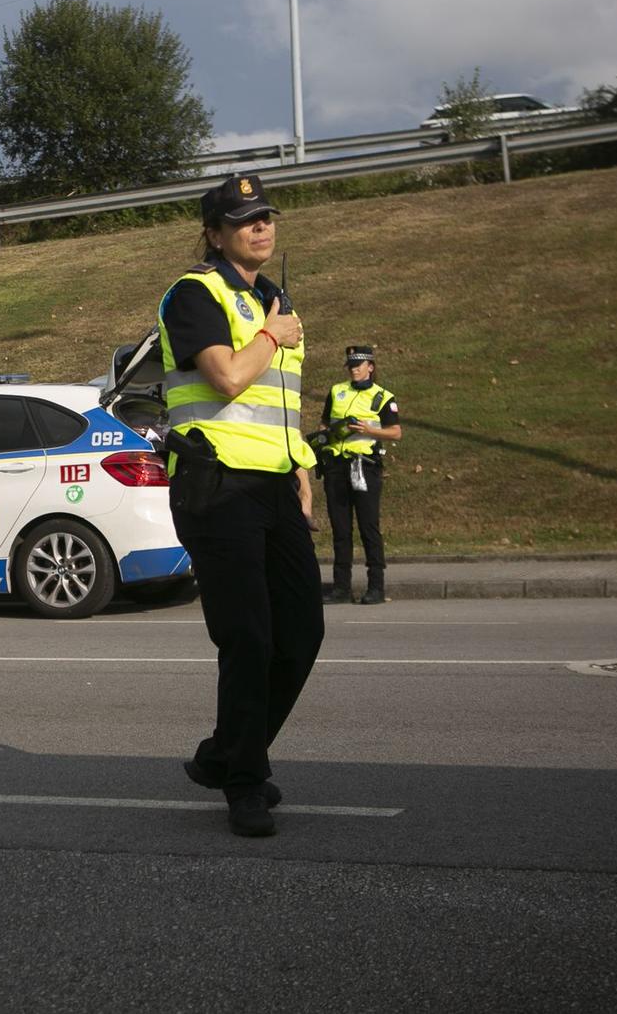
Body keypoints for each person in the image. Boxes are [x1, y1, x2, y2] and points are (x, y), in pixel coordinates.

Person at [155, 174, 325, 838]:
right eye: (245, 219)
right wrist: (273, 336)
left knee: (303, 631)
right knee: (249, 637)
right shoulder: (194, 294)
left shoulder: (274, 299)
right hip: (217, 485)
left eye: (266, 216)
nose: (261, 227)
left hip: (275, 485)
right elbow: (226, 378)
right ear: (215, 232)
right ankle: (245, 781)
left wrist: (303, 466)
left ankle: (226, 753)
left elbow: (280, 399)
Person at [320, 345, 404, 606]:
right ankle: (341, 588)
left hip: (365, 465)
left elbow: (396, 432)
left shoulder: (383, 397)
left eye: (360, 364)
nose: (355, 368)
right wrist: (324, 436)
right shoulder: (337, 391)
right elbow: (324, 423)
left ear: (371, 367)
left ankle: (376, 586)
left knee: (369, 527)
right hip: (337, 465)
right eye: (351, 365)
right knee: (340, 529)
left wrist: (369, 430)